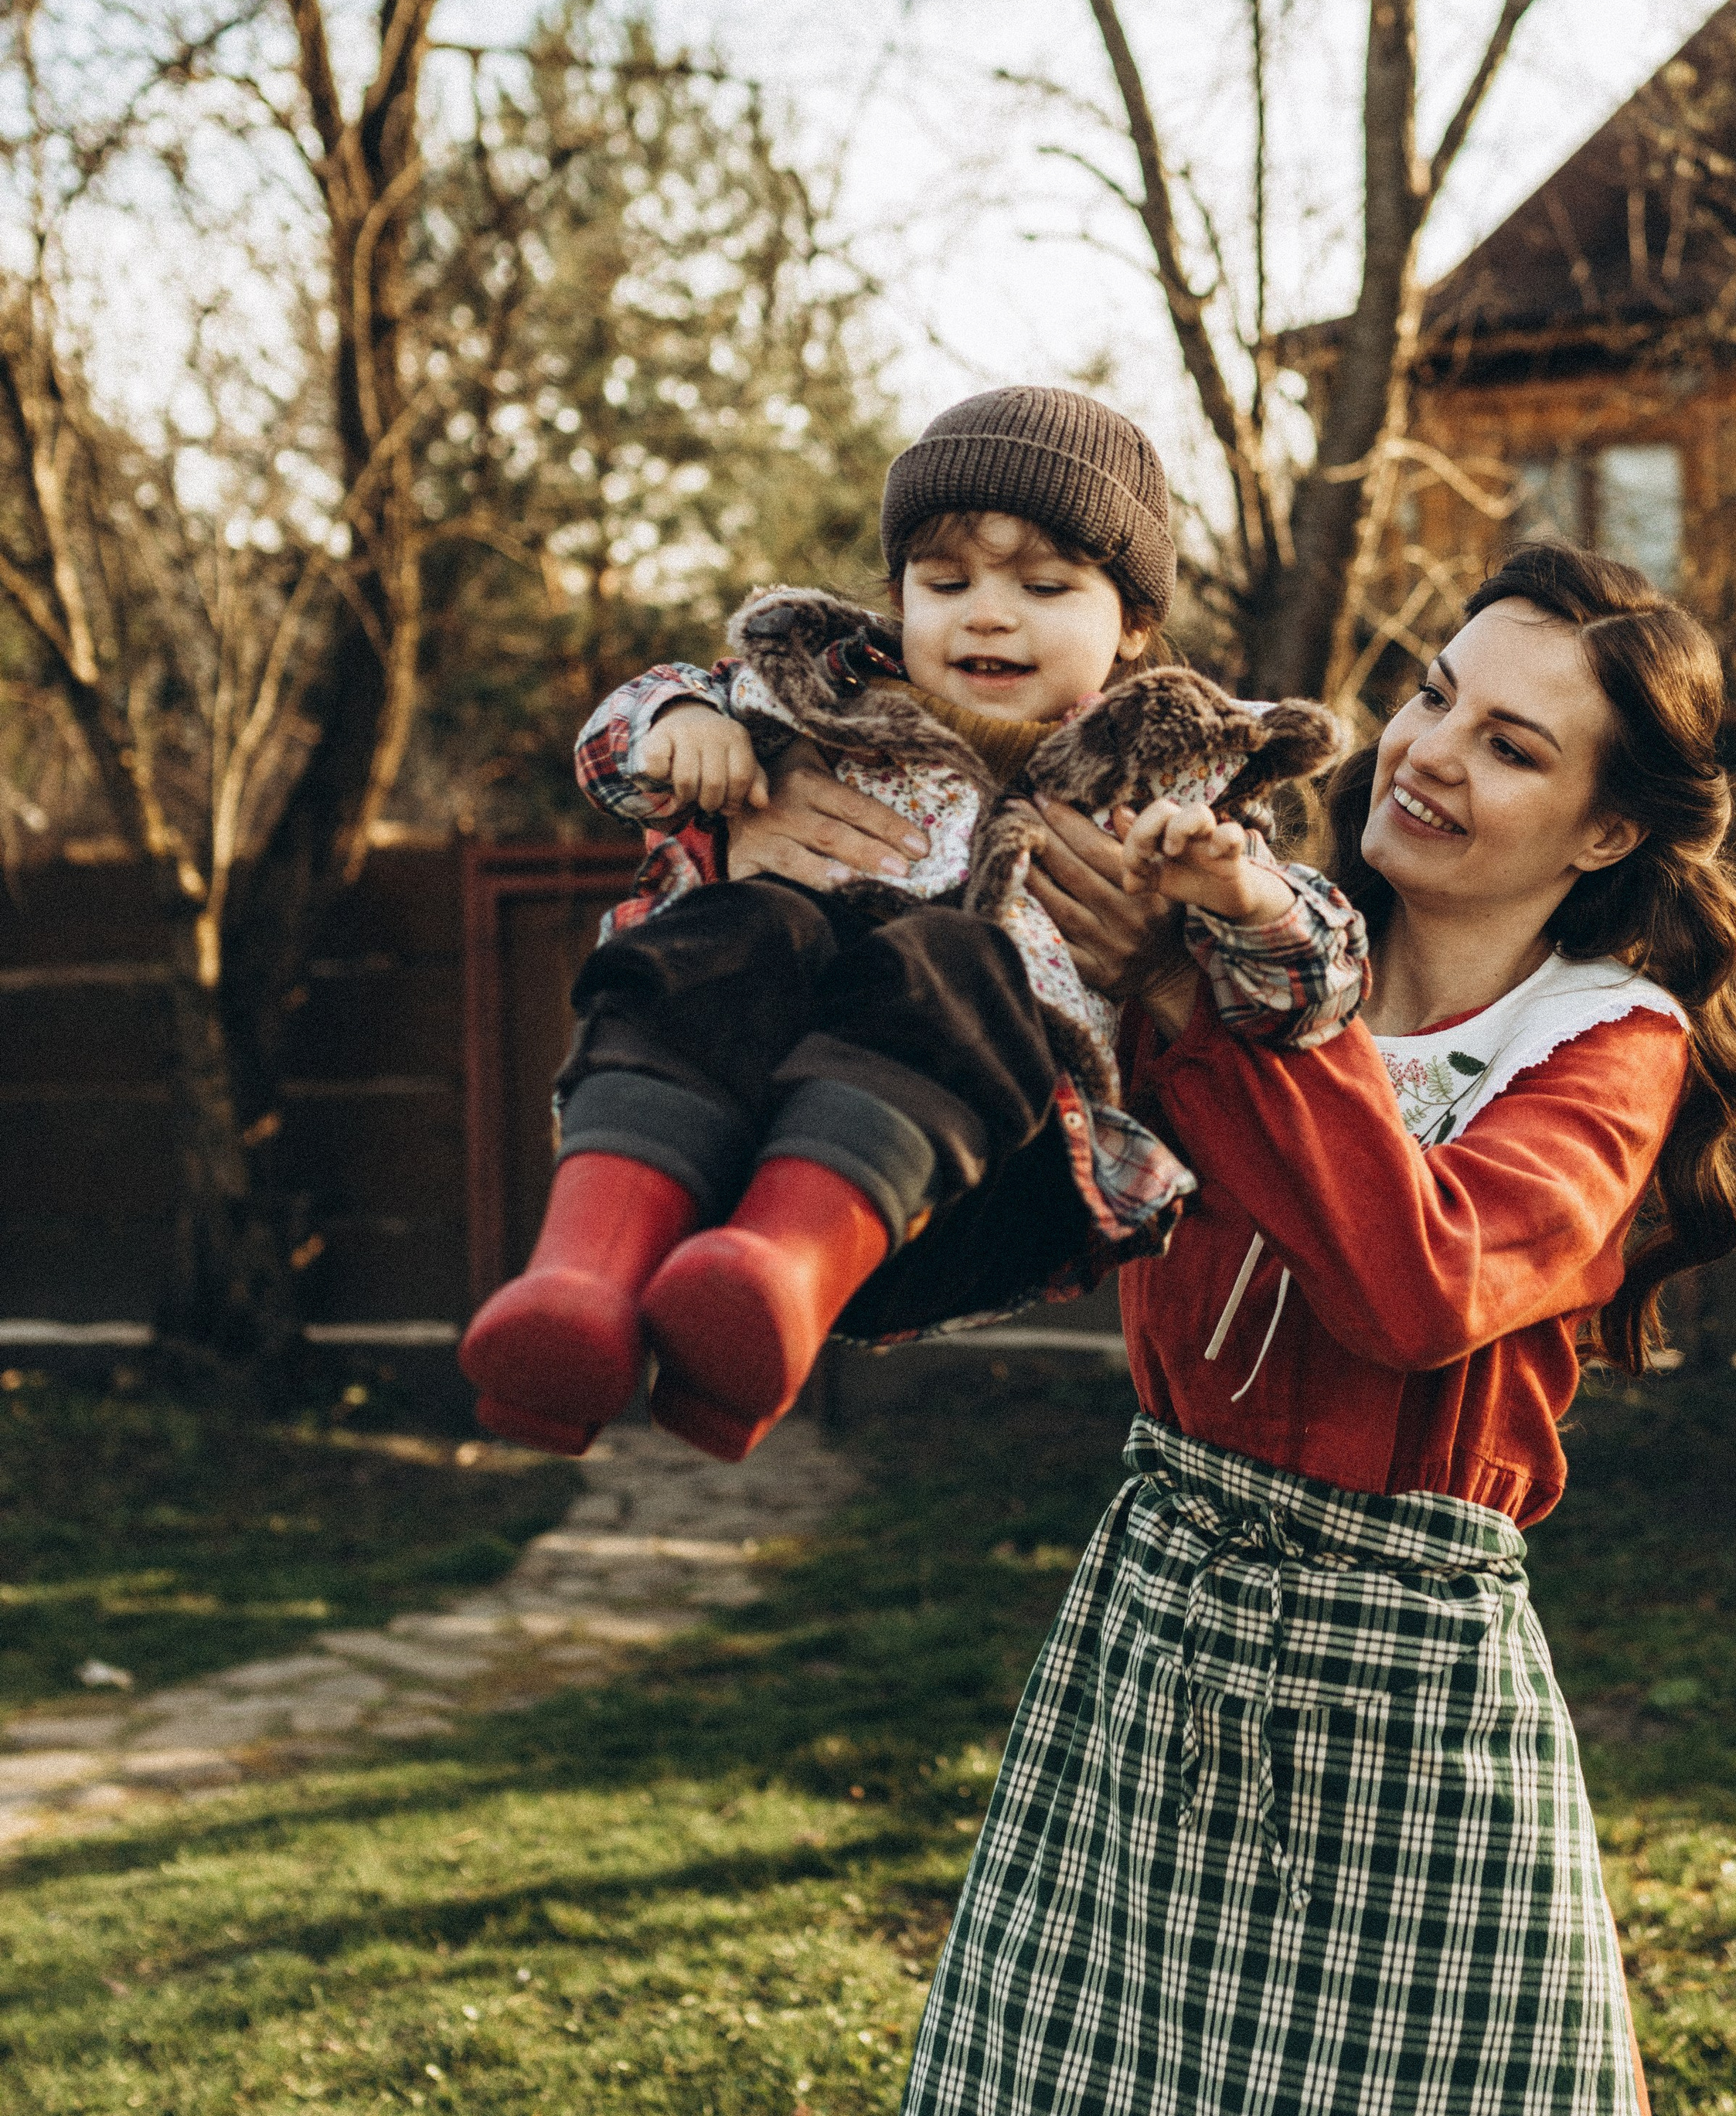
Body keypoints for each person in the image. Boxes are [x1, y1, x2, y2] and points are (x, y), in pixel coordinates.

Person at [838, 539, 1736, 2116]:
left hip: (1397, 1686)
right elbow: (1036, 1192)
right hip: (1162, 1618)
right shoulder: (1242, 932)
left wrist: (1199, 1011)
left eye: (1510, 746)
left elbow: (1417, 1283)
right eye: (1431, 693)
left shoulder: (1603, 1046)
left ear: (1604, 832)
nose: (1425, 752)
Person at [458, 386, 1366, 1465]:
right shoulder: (814, 698)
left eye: (1044, 586)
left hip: (966, 1171)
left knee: (957, 958)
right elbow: (615, 747)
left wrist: (1244, 897)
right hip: (714, 1116)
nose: (987, 614)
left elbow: (1318, 988)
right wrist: (684, 724)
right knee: (740, 929)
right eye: (946, 582)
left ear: (1132, 625)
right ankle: (584, 1291)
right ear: (899, 599)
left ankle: (778, 1278)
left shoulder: (1170, 782)